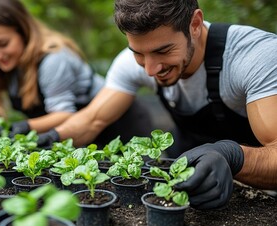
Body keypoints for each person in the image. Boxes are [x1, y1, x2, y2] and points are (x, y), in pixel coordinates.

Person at [38, 0, 277, 210]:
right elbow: (92, 120)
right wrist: (49, 136)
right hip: (189, 179)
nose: (150, 69)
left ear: (195, 24)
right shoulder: (134, 62)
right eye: (138, 53)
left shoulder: (256, 57)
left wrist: (232, 156)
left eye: (163, 50)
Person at [0, 0, 152, 146]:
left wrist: (22, 127)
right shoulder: (4, 64)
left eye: (3, 44)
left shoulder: (53, 59)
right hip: (77, 133)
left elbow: (64, 114)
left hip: (119, 126)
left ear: (24, 32)